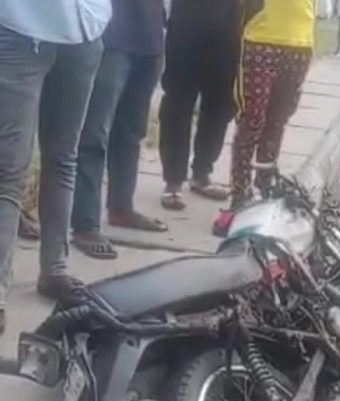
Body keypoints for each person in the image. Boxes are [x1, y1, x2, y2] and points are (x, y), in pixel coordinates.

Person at [0, 1, 111, 333]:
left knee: (64, 157)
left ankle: (54, 270)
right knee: (8, 169)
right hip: (20, 28)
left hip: (84, 28)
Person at [72, 0, 167, 260]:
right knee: (94, 135)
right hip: (112, 35)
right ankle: (85, 223)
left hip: (150, 36)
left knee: (132, 131)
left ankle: (121, 207)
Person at [213, 0, 315, 236]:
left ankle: (265, 190)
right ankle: (240, 196)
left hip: (301, 40)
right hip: (261, 38)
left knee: (277, 122)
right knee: (252, 121)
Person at [158, 0, 242, 210]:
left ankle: (202, 172)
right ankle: (173, 180)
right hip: (186, 29)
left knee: (220, 105)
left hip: (228, 32)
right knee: (177, 106)